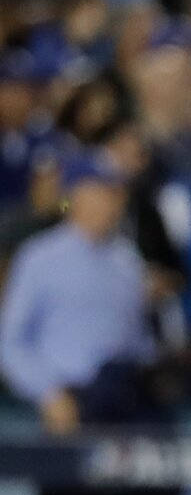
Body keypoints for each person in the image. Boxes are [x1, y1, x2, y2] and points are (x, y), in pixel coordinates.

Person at [0, 150, 154, 429]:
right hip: (62, 399)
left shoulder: (127, 260)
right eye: (98, 191)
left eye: (113, 192)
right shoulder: (39, 257)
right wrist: (48, 393)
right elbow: (10, 342)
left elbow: (135, 339)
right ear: (74, 196)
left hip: (122, 398)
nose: (108, 202)